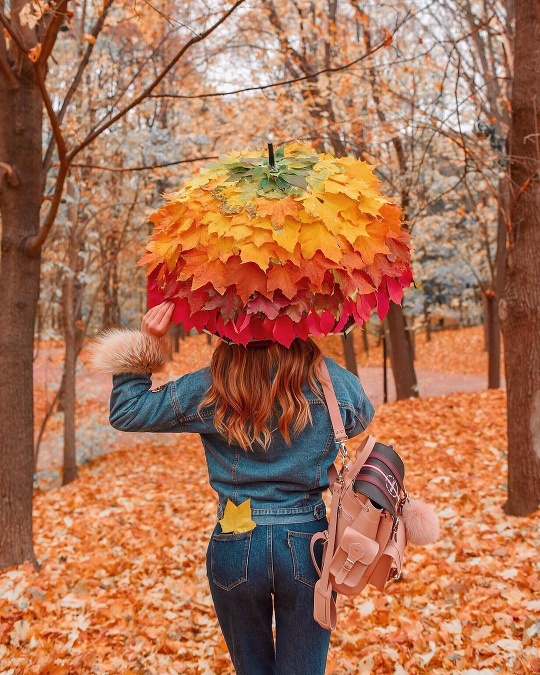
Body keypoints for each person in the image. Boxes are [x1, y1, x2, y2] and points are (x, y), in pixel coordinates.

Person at [106, 300, 375, 675]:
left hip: (236, 536)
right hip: (308, 543)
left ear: (225, 322)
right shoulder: (330, 381)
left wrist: (147, 342)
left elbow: (127, 410)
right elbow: (362, 416)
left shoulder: (212, 384)